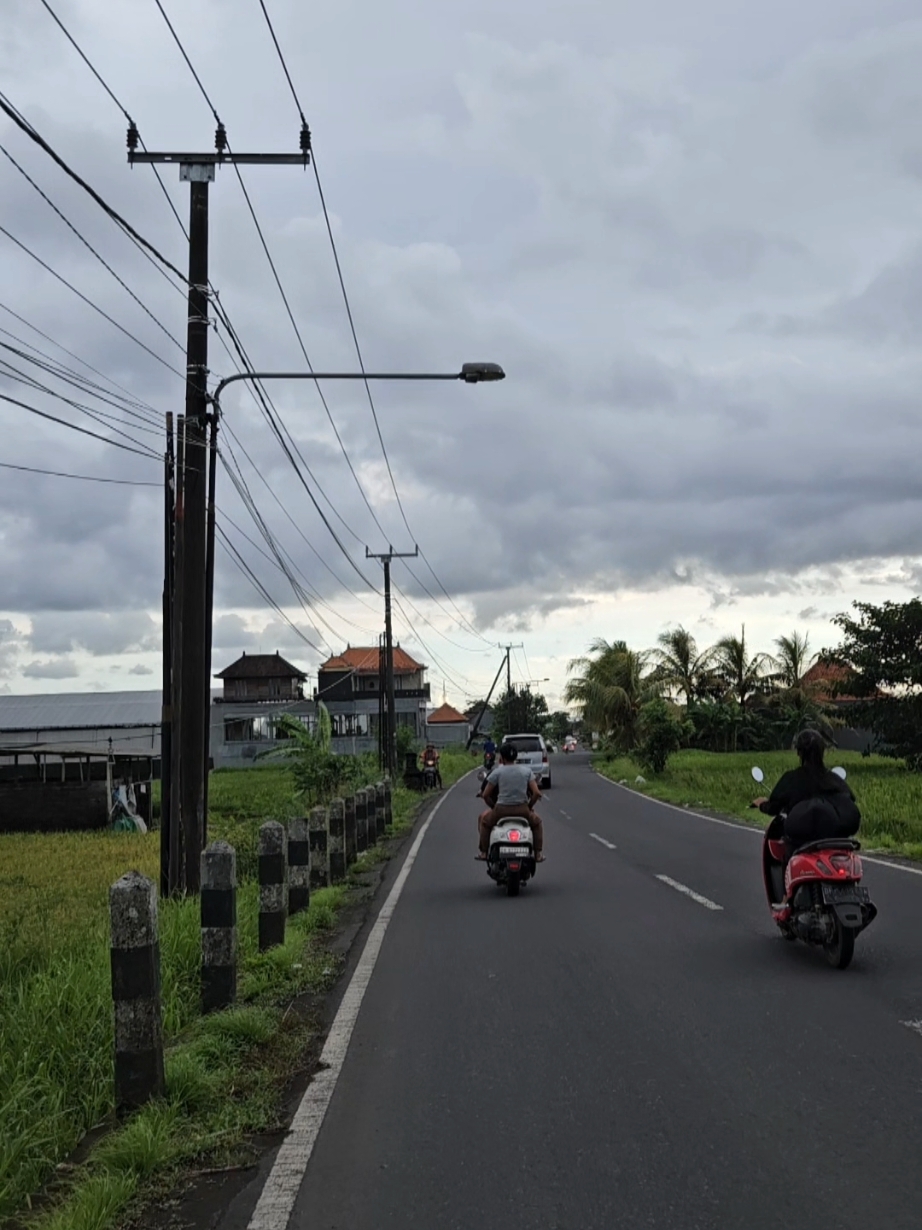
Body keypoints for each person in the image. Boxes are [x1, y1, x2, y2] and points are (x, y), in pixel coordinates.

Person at [753, 729, 860, 852]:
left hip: (802, 843)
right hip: (837, 842)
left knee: (786, 853)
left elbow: (774, 807)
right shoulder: (834, 780)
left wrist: (761, 804)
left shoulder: (792, 779)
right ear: (822, 752)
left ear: (799, 752)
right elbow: (850, 799)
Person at [477, 741, 545, 861]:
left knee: (485, 823)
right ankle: (537, 854)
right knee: (537, 823)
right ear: (516, 757)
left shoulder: (497, 772)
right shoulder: (526, 771)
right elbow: (536, 793)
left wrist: (493, 806)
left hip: (501, 810)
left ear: (501, 758)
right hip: (522, 810)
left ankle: (484, 852)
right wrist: (529, 806)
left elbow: (485, 794)